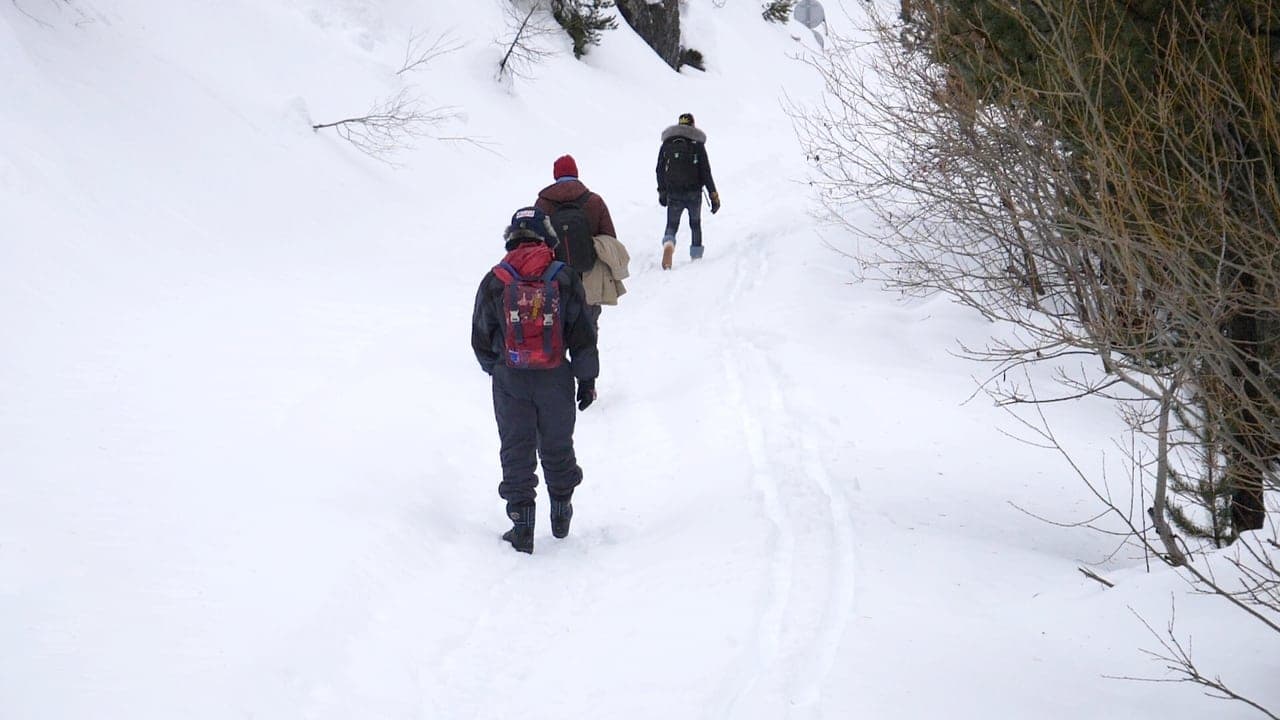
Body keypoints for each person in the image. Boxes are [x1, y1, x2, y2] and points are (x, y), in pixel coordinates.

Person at [471, 207, 599, 554]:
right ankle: (561, 512)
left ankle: (522, 526)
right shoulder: (564, 276)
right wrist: (586, 380)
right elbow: (583, 336)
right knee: (557, 445)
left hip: (510, 379)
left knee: (516, 448)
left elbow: (480, 339)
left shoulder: (496, 279)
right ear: (546, 236)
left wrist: (499, 368)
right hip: (556, 376)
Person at [535, 155, 622, 330]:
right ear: (576, 173)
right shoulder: (594, 201)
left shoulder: (543, 204)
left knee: (557, 334)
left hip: (555, 280)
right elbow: (610, 238)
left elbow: (537, 242)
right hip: (589, 280)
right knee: (587, 337)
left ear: (555, 175)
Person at [655, 113, 720, 270]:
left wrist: (662, 191)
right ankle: (696, 257)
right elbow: (706, 172)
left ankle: (669, 244)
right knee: (695, 224)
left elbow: (659, 170)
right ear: (692, 125)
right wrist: (713, 196)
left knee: (671, 225)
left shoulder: (667, 144)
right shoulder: (697, 144)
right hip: (693, 193)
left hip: (673, 193)